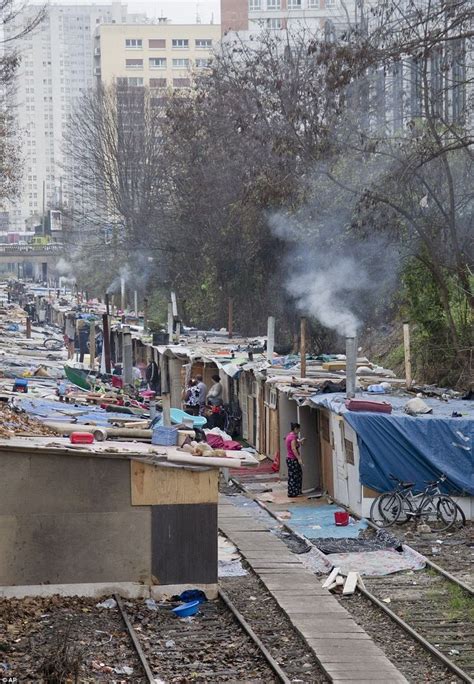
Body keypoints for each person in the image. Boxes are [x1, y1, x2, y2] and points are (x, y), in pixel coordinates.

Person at [285, 422, 303, 498]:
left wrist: (299, 442)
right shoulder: (293, 437)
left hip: (289, 458)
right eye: (298, 430)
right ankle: (293, 492)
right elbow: (293, 448)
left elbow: (293, 445)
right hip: (293, 459)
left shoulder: (289, 436)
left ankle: (294, 491)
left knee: (293, 475)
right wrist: (299, 458)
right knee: (295, 475)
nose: (299, 432)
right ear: (295, 429)